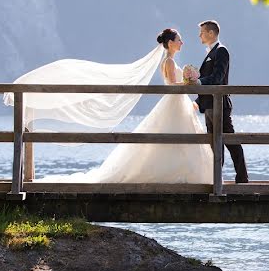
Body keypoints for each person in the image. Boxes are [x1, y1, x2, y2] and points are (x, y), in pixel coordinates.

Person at [14, 28, 213, 184]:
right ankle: (176, 173)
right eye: (179, 39)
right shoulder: (169, 62)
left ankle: (179, 172)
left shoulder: (170, 60)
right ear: (170, 43)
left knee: (177, 137)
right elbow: (171, 84)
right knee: (175, 136)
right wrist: (188, 83)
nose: (182, 42)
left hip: (177, 103)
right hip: (174, 101)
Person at [195, 20, 249, 184]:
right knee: (214, 143)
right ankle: (216, 179)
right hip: (209, 105)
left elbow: (217, 78)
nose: (200, 35)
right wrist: (198, 100)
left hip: (220, 105)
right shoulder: (211, 53)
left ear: (211, 33)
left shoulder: (221, 51)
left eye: (202, 32)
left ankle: (242, 178)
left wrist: (198, 81)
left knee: (230, 141)